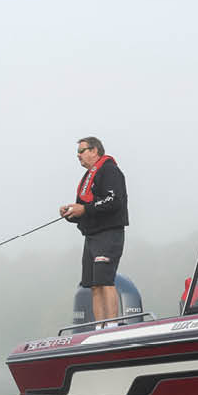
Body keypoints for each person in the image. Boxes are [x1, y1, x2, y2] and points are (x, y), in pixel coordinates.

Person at [59, 137, 129, 327]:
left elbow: (114, 201)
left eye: (82, 151)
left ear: (95, 150)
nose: (78, 156)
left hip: (109, 234)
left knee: (106, 281)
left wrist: (84, 209)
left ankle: (113, 325)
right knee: (94, 284)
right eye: (77, 153)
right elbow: (85, 209)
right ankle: (100, 327)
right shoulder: (86, 179)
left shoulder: (110, 170)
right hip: (91, 236)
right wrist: (71, 214)